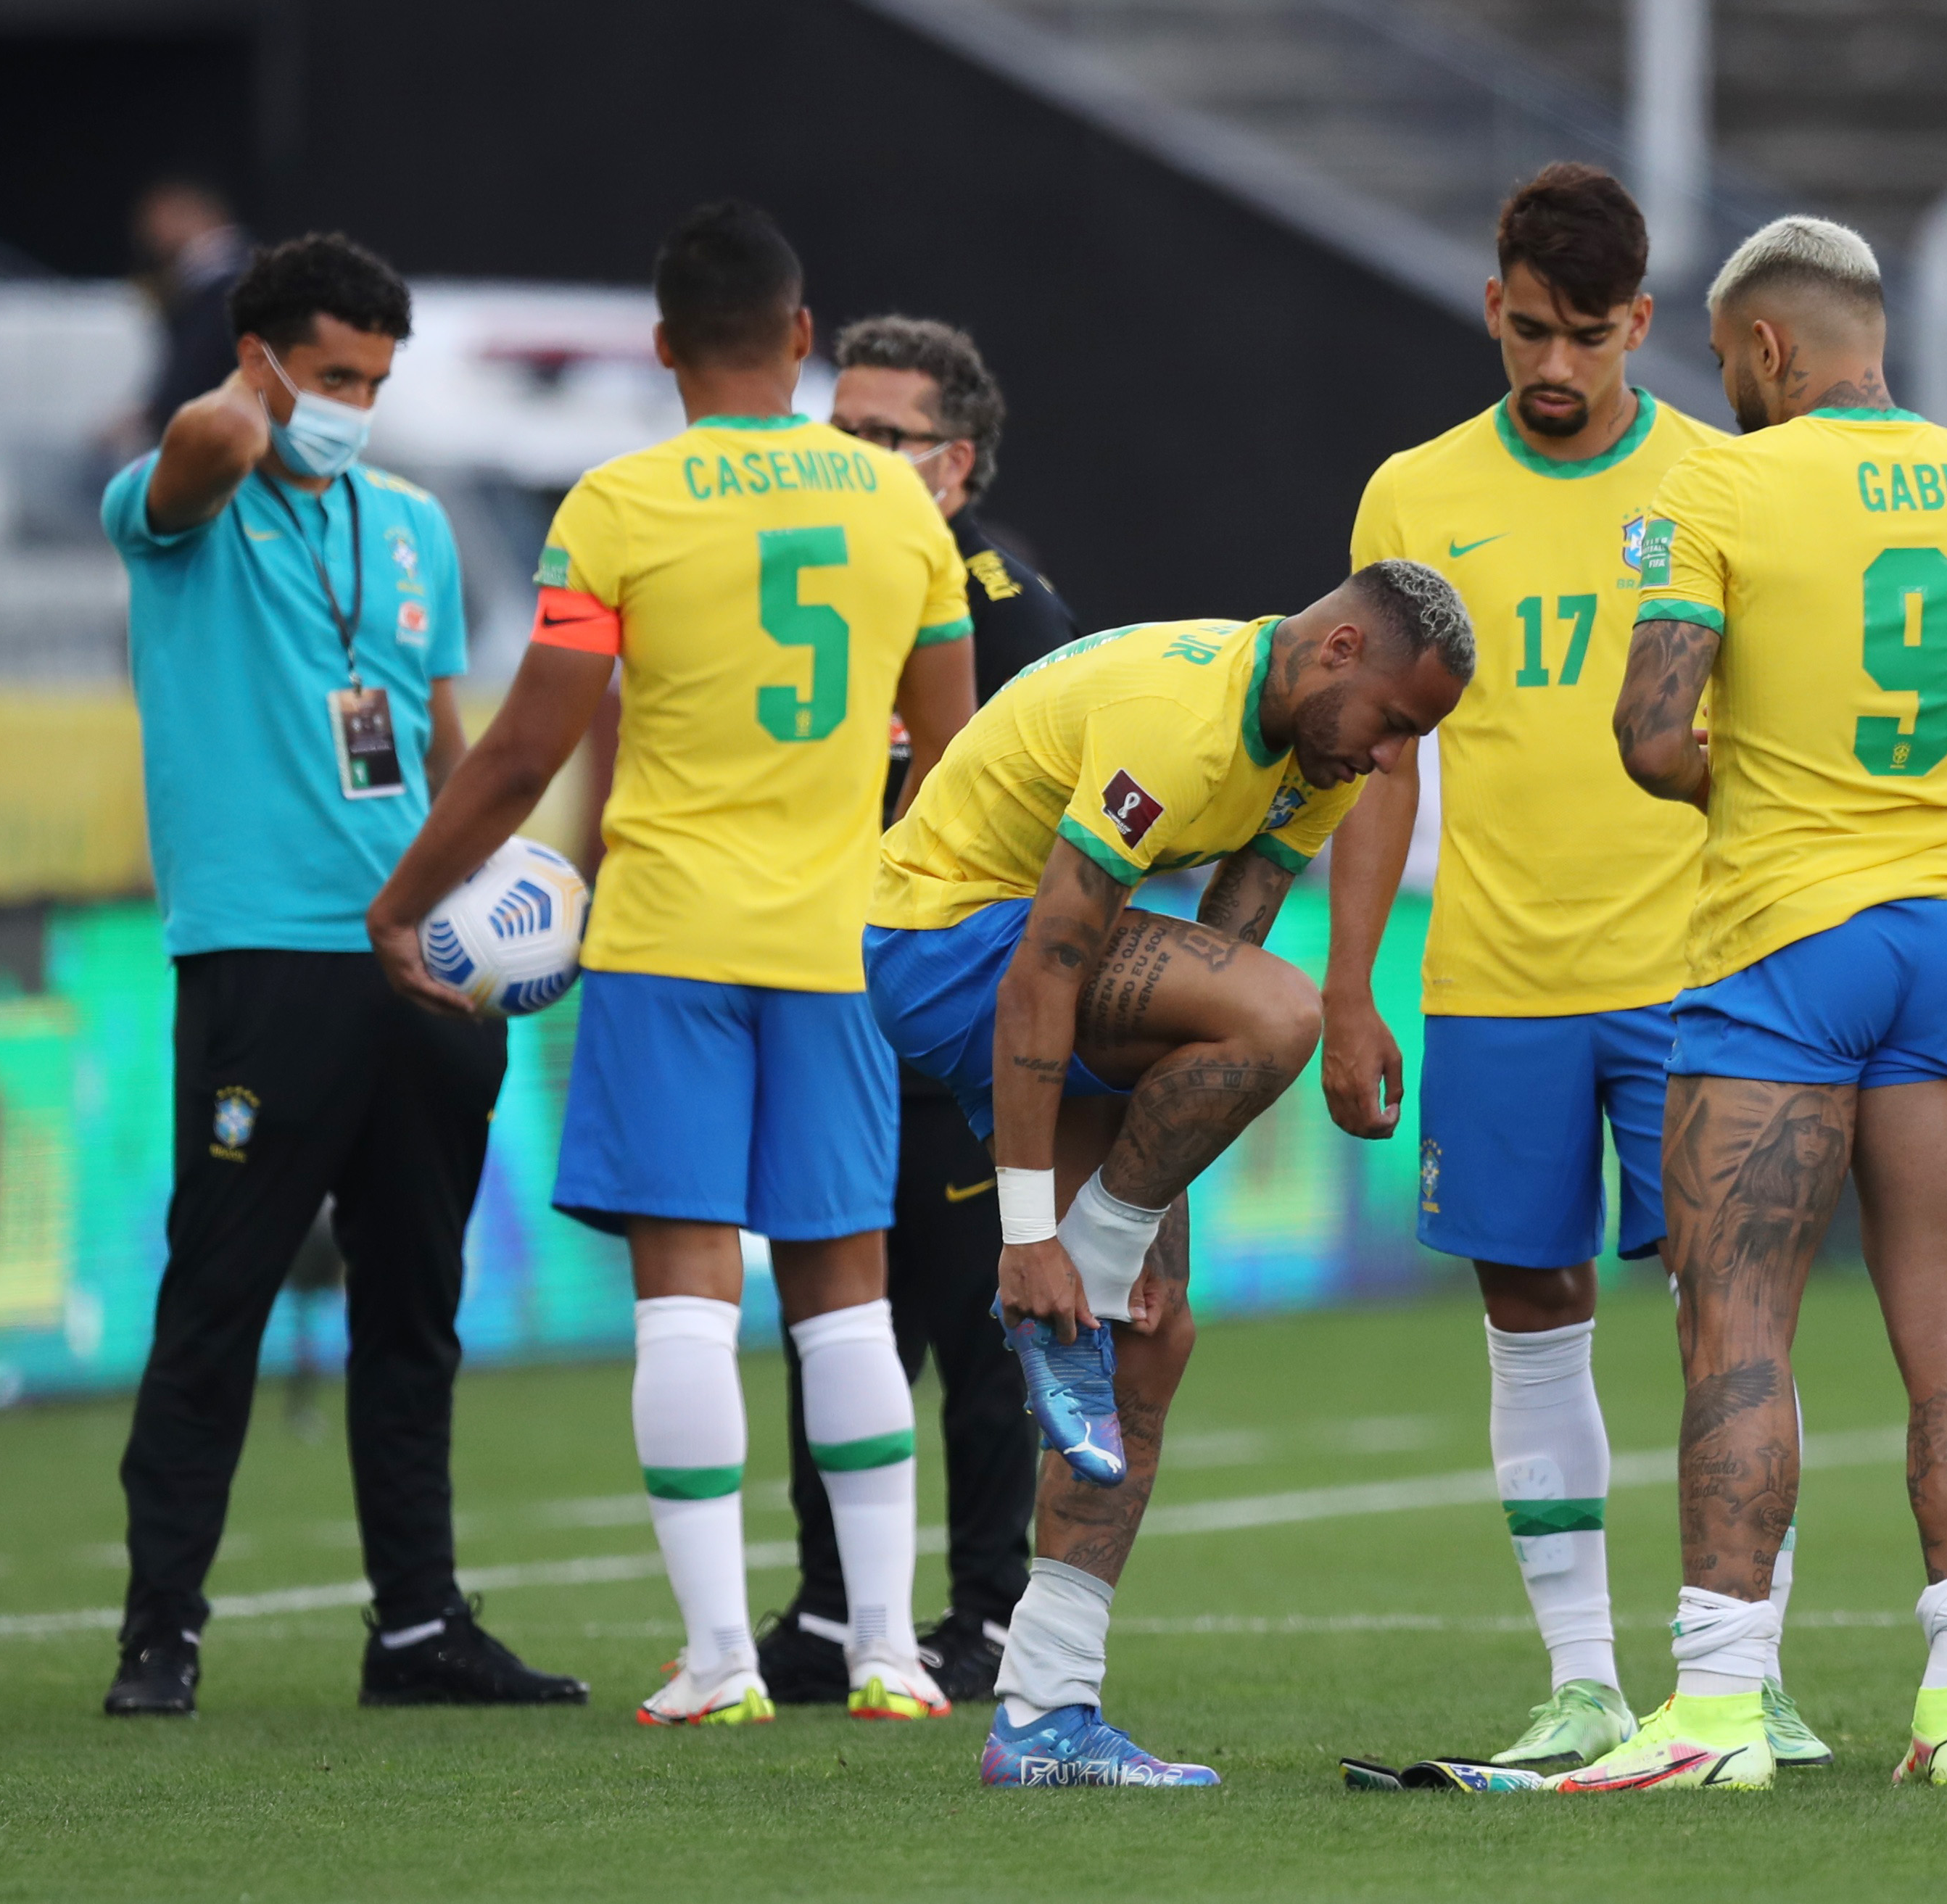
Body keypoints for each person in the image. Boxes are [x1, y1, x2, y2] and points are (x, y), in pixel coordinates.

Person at [365, 201, 978, 1729]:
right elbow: (957, 754)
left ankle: (719, 1659)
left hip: (666, 940)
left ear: (659, 348)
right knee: (849, 1292)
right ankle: (890, 1650)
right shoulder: (901, 511)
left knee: (688, 1302)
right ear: (797, 336)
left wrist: (410, 900)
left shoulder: (617, 504)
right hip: (837, 940)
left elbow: (525, 744)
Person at [1559, 215, 1947, 1793]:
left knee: (1739, 1327)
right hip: (1946, 932)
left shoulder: (1719, 483)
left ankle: (1720, 1708)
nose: (1726, 389)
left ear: (1772, 351)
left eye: (1729, 365)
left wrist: (1791, 772)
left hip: (1783, 941)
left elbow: (1654, 737)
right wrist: (1914, 774)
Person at [1320, 162, 1829, 1773]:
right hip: (1491, 975)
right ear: (1493, 306)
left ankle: (1743, 1675)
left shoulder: (1724, 480)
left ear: (1643, 326)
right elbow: (1378, 755)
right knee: (1530, 1313)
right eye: (1529, 330)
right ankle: (1585, 1679)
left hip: (1704, 972)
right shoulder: (1410, 491)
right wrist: (1348, 984)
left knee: (1729, 1318)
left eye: (1588, 336)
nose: (1553, 365)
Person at [859, 566, 1471, 1786]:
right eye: (1397, 720)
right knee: (1284, 1019)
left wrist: (1122, 1219)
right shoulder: (1179, 721)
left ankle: (1043, 1715)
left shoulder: (1319, 756)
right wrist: (1039, 1236)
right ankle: (1073, 1262)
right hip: (947, 941)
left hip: (1042, 965)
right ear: (1339, 647)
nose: (1391, 753)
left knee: (1150, 1333)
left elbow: (1212, 957)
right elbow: (1046, 966)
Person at [99, 232, 583, 1716]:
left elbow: (444, 744)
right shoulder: (185, 501)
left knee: (416, 1302)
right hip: (266, 955)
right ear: (259, 366)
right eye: (331, 376)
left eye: (376, 377)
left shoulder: (417, 524)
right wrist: (241, 397)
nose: (356, 403)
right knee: (219, 1298)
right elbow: (196, 445)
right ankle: (162, 1629)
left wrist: (490, 892)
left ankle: (419, 1626)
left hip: (421, 959)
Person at [758, 315, 1077, 1708]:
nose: (851, 456)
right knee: (835, 1313)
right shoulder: (812, 578)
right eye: (839, 429)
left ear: (952, 463)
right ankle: (835, 1610)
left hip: (954, 1024)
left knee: (974, 1326)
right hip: (829, 1001)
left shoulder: (1007, 609)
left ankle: (989, 1612)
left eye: (880, 436)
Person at [133, 178, 251, 442]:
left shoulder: (218, 284)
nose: (149, 232)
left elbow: (195, 370)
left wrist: (158, 413)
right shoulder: (234, 274)